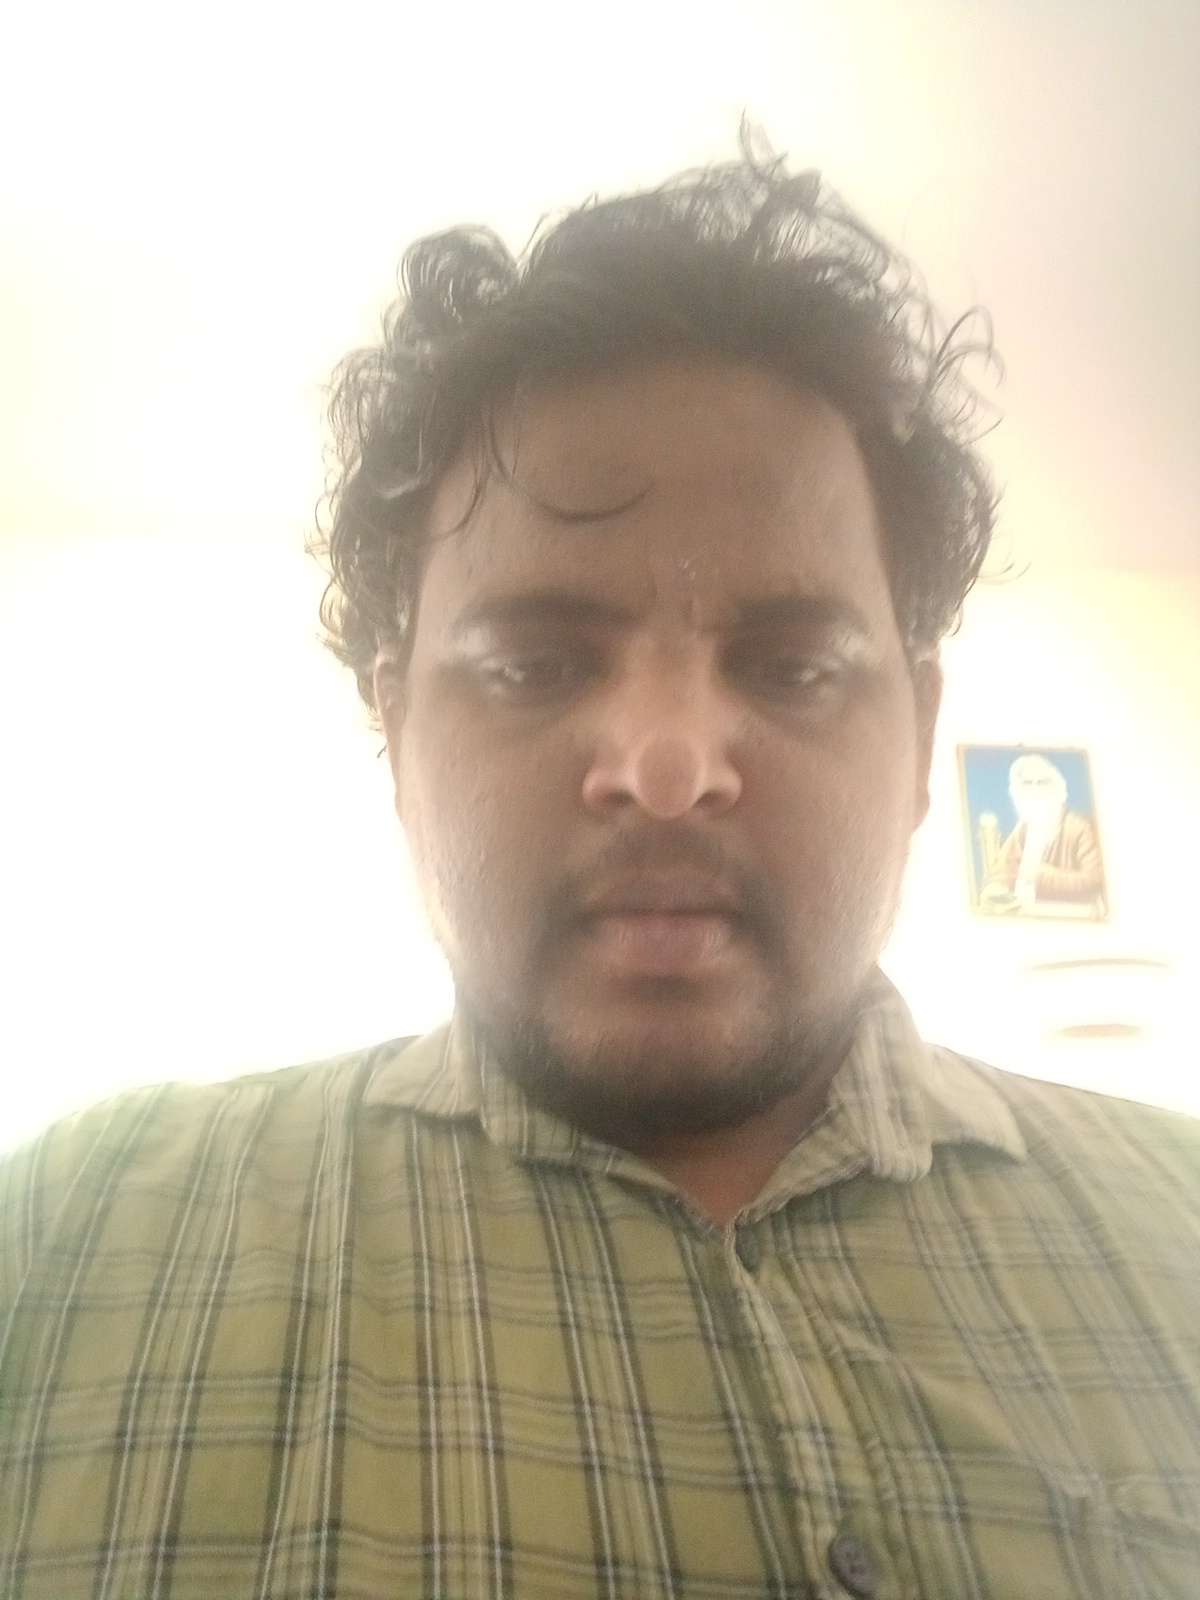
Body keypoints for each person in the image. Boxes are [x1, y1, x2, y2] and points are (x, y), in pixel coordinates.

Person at [2, 132, 1197, 1600]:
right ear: (398, 733)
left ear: (919, 738)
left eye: (791, 664)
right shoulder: (65, 1239)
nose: (669, 765)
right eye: (537, 662)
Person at [981, 752, 1106, 913]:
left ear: (1058, 787)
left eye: (1042, 782)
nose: (1035, 790)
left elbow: (1095, 880)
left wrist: (1041, 876)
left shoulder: (1079, 827)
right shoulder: (1025, 827)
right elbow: (1004, 868)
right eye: (1027, 783)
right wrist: (995, 888)